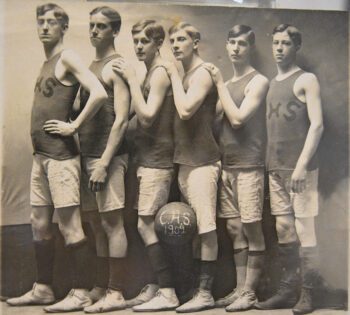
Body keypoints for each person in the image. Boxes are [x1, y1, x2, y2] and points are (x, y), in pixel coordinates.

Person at [6, 3, 108, 312]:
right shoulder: (46, 62)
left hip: (62, 158)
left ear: (64, 28)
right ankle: (44, 288)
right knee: (39, 224)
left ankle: (80, 291)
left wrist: (74, 125)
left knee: (70, 226)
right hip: (42, 158)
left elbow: (99, 92)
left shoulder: (68, 57)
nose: (45, 27)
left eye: (52, 22)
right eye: (41, 21)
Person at [254, 24, 324, 315]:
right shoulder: (271, 82)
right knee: (283, 228)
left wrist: (301, 167)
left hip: (300, 170)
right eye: (276, 42)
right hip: (275, 168)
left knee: (304, 228)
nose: (279, 47)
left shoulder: (306, 79)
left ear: (296, 47)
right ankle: (287, 291)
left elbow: (317, 125)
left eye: (285, 43)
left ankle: (308, 295)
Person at [112, 20, 178, 312]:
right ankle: (154, 285)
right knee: (142, 223)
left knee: (145, 224)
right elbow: (129, 114)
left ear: (157, 43)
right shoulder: (150, 71)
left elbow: (148, 116)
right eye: (135, 41)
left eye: (144, 42)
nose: (138, 46)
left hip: (159, 161)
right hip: (145, 159)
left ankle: (168, 291)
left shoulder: (162, 72)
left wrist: (132, 80)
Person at [203, 24, 269, 312]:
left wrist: (218, 85)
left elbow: (239, 119)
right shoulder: (228, 86)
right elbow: (216, 126)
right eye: (231, 42)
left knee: (253, 228)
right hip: (227, 166)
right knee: (233, 227)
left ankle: (250, 293)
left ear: (250, 47)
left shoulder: (259, 81)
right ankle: (240, 289)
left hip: (250, 165)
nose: (235, 48)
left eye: (241, 43)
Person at [162, 22, 221, 313]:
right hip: (186, 162)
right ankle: (196, 290)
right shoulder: (187, 74)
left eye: (182, 39)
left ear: (195, 42)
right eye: (172, 39)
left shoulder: (202, 73)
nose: (175, 44)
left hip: (202, 162)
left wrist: (173, 74)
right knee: (195, 229)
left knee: (206, 227)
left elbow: (186, 110)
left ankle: (206, 293)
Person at [75, 6, 130, 313]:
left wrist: (105, 162)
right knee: (95, 225)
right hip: (86, 155)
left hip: (107, 159)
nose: (94, 31)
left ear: (114, 32)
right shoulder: (90, 66)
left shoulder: (116, 66)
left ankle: (117, 291)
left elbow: (121, 120)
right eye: (92, 25)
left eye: (102, 26)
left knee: (112, 223)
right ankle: (100, 285)